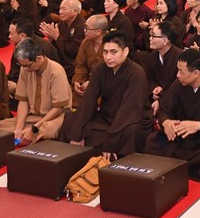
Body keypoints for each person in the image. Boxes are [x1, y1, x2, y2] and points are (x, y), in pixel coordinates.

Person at [143, 48, 200, 182]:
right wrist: (166, 122)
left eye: (181, 71)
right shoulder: (178, 85)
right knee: (153, 140)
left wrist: (199, 125)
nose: (177, 75)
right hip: (183, 137)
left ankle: (180, 168)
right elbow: (164, 110)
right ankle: (176, 168)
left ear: (196, 73)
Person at [59, 31, 151, 160]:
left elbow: (129, 109)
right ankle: (70, 158)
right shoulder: (100, 69)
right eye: (105, 52)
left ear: (125, 51)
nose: (108, 57)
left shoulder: (136, 73)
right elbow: (89, 99)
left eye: (113, 52)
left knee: (131, 132)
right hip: (106, 117)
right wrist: (77, 132)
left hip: (131, 119)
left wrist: (111, 140)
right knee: (71, 119)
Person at [0, 37, 70, 144]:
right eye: (21, 65)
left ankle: (28, 135)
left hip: (55, 117)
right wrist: (18, 129)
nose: (25, 69)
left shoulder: (56, 71)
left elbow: (58, 109)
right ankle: (26, 136)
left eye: (27, 65)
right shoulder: (24, 69)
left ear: (39, 58)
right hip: (33, 117)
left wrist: (34, 128)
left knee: (47, 132)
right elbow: (23, 102)